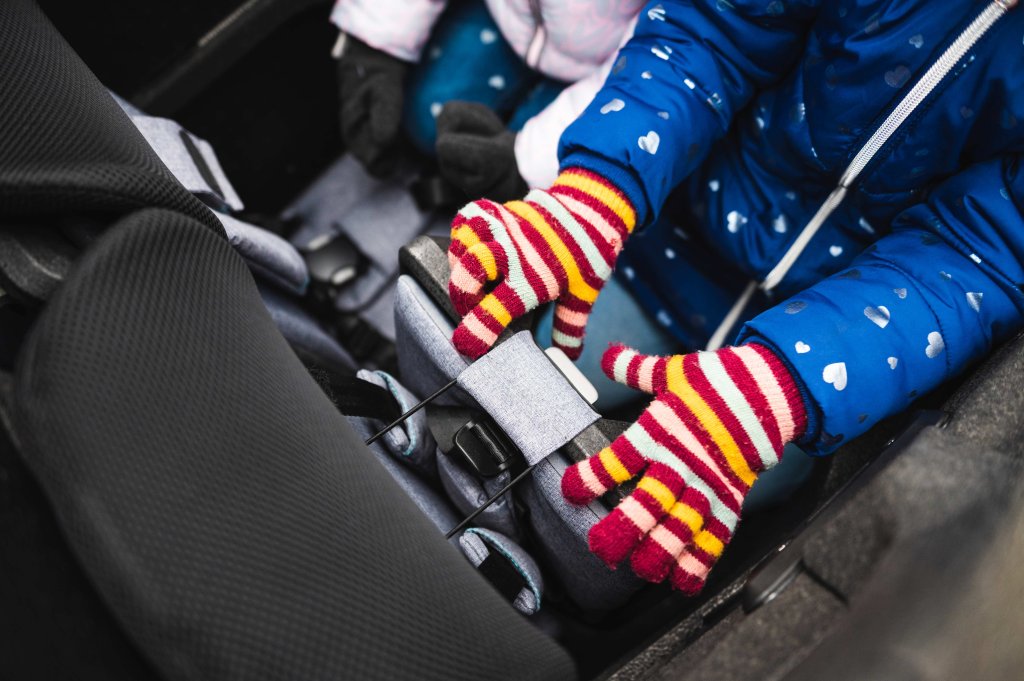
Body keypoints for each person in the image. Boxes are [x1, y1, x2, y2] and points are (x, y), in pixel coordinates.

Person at [445, 0, 1024, 593]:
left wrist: (792, 377)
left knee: (655, 534)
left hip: (828, 355)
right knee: (521, 388)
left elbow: (990, 249)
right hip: (675, 246)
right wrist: (598, 194)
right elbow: (715, 30)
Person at [330, 0, 644, 199]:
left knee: (530, 189)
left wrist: (528, 165)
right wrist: (375, 48)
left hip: (610, 63)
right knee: (425, 123)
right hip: (507, 15)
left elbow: (658, 63)